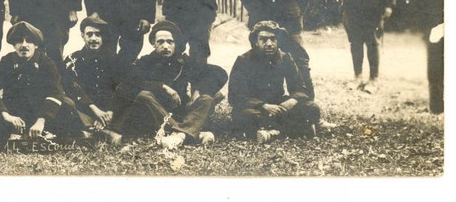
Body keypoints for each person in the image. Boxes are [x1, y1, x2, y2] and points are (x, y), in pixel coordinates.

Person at [107, 21, 228, 149]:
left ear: (176, 44)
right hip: (155, 114)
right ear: (153, 43)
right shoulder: (145, 62)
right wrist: (162, 87)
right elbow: (128, 84)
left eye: (170, 42)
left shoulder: (184, 62)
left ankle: (178, 135)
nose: (165, 46)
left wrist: (198, 91)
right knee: (144, 96)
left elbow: (219, 73)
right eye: (160, 42)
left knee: (206, 99)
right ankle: (189, 132)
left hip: (179, 112)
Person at [0, 22, 88, 139]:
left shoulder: (46, 62)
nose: (24, 45)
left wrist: (41, 121)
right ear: (14, 45)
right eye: (19, 41)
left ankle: (54, 131)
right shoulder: (7, 61)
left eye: (29, 41)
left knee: (67, 105)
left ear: (36, 45)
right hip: (15, 112)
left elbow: (55, 92)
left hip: (42, 111)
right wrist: (6, 115)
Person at [228, 21, 320, 144]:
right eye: (263, 40)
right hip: (254, 107)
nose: (269, 44)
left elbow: (301, 88)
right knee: (249, 116)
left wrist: (292, 101)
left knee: (312, 108)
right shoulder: (243, 61)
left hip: (278, 105)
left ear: (278, 41)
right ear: (255, 41)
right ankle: (294, 129)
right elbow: (235, 96)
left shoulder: (285, 58)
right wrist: (263, 106)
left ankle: (271, 132)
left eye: (273, 39)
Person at [62, 13, 127, 130]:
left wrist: (110, 112)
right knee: (65, 103)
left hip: (110, 111)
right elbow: (72, 88)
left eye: (98, 34)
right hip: (86, 110)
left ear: (103, 37)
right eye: (89, 34)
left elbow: (121, 87)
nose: (93, 38)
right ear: (82, 36)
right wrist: (96, 111)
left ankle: (100, 128)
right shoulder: (72, 59)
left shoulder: (115, 59)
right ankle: (93, 128)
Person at [414, 0, 444, 113]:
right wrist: (428, 31)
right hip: (435, 32)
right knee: (434, 71)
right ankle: (436, 108)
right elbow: (418, 8)